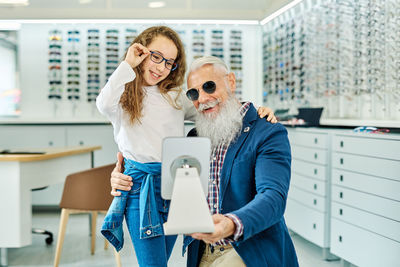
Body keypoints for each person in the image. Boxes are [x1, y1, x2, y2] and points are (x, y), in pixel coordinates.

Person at [97, 26, 277, 267]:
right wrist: (128, 64)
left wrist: (254, 111)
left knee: (166, 258)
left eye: (169, 62)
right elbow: (102, 103)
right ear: (140, 52)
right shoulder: (122, 96)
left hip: (176, 184)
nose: (160, 67)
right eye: (155, 56)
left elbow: (212, 109)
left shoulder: (174, 96)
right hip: (142, 188)